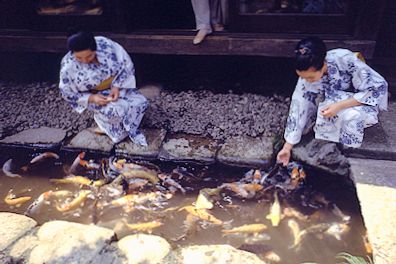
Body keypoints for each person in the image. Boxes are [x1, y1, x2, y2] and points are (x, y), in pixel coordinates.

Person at [277, 37, 388, 165]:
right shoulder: (307, 75)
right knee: (319, 108)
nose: (307, 80)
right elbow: (299, 107)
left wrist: (339, 106)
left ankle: (347, 147)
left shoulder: (344, 59)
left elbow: (377, 87)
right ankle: (331, 138)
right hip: (333, 101)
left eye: (311, 77)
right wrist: (287, 147)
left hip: (358, 101)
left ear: (323, 64)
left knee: (351, 115)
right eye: (303, 77)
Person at [59, 30, 149, 146]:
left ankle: (127, 125)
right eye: (79, 58)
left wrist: (116, 86)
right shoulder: (68, 65)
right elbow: (66, 91)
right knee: (115, 110)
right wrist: (92, 98)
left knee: (141, 103)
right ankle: (105, 125)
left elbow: (126, 64)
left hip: (117, 86)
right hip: (94, 94)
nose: (85, 61)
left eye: (89, 56)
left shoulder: (106, 46)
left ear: (95, 48)